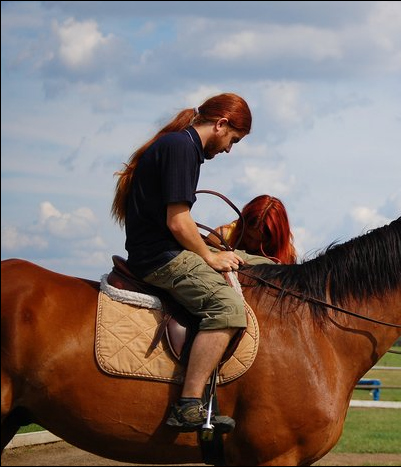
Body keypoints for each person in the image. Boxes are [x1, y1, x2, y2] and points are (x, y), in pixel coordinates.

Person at [111, 92, 261, 432]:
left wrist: (219, 253)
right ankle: (189, 404)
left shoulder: (180, 146)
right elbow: (178, 222)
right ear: (221, 124)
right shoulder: (182, 148)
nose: (228, 149)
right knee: (228, 308)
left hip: (167, 250)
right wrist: (209, 255)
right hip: (160, 258)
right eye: (232, 141)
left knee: (255, 263)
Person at [207, 194, 297, 264]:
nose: (253, 245)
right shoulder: (221, 237)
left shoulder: (286, 255)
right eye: (249, 237)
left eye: (261, 242)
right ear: (241, 227)